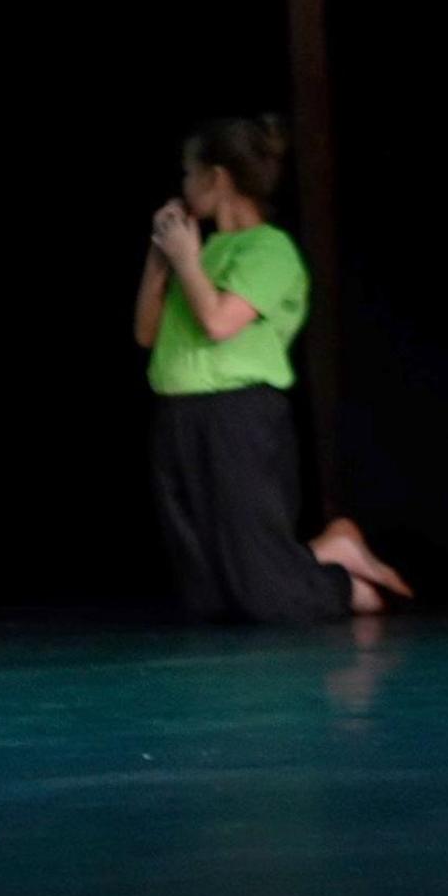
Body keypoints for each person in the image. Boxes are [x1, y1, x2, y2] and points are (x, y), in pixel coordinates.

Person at [136, 116, 407, 622]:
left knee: (266, 597)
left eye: (190, 174)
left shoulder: (270, 249)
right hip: (177, 415)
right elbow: (145, 334)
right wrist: (160, 263)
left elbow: (219, 323)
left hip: (237, 417)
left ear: (217, 178)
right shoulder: (201, 250)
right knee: (209, 594)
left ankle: (348, 583)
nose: (184, 186)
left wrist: (187, 262)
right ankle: (329, 549)